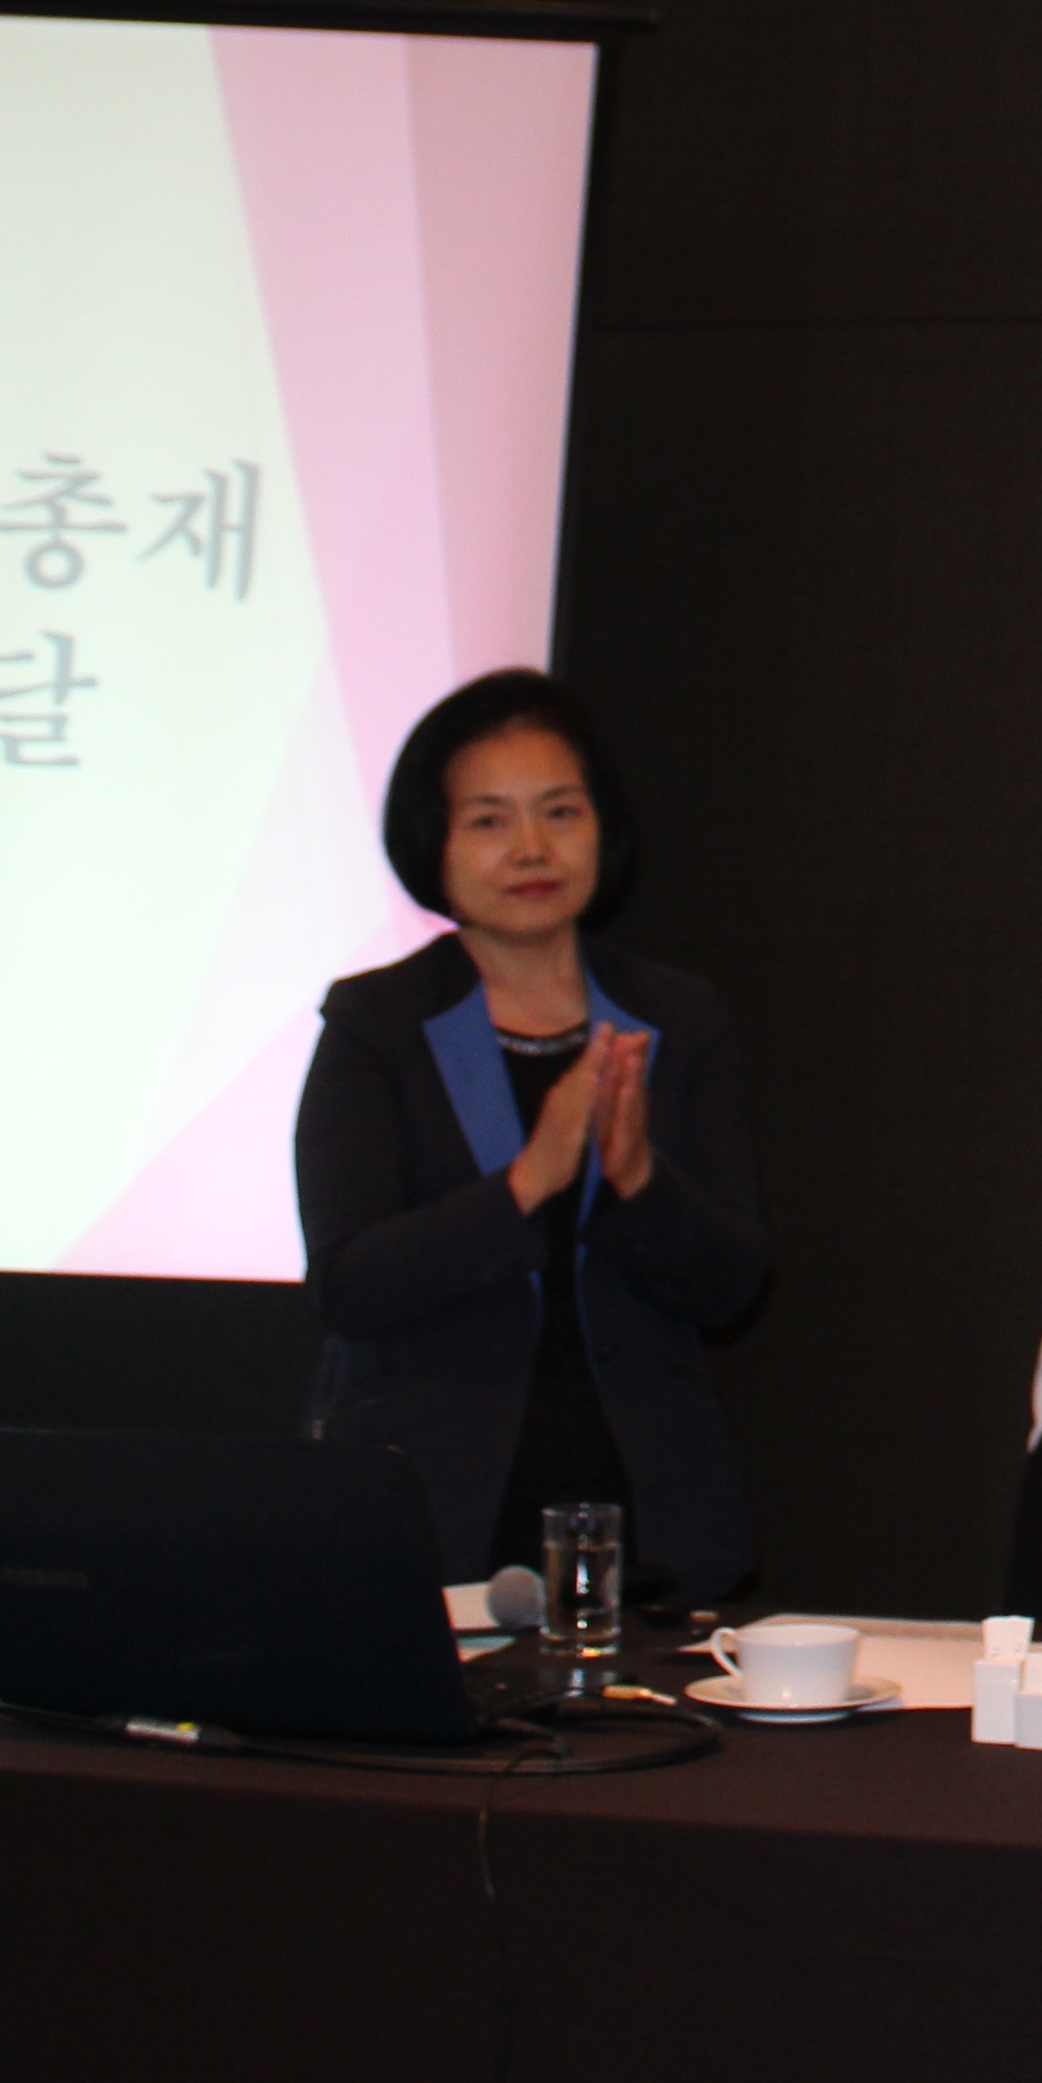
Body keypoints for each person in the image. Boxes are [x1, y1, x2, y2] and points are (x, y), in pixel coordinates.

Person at [295, 670, 771, 1605]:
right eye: (489, 820)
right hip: (436, 1514)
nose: (531, 848)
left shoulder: (677, 1017)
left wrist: (639, 1181)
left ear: (603, 826)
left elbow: (732, 1287)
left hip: (648, 1518)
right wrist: (526, 1182)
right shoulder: (376, 1024)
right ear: (433, 841)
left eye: (560, 812)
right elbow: (349, 1285)